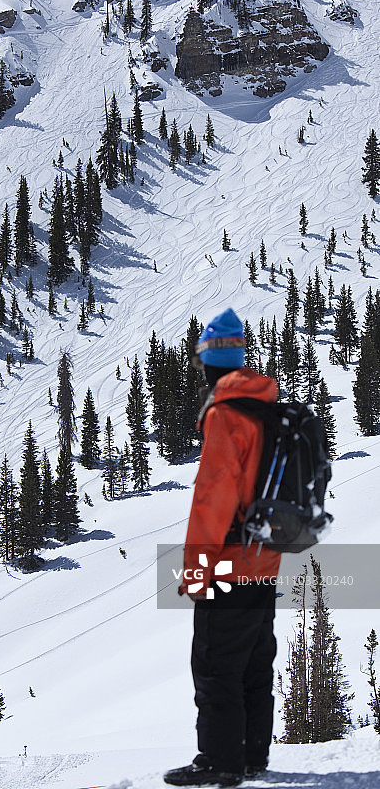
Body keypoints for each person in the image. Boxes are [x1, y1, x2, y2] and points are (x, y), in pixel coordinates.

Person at [164, 308, 281, 788]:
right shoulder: (267, 407)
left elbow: (213, 499)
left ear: (209, 361)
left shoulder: (225, 413)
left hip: (228, 564)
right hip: (265, 559)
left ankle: (219, 762)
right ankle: (252, 755)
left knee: (215, 664)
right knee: (255, 660)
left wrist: (195, 571)